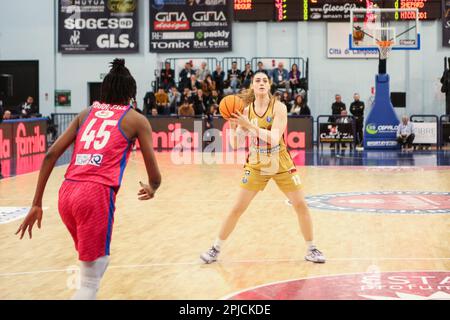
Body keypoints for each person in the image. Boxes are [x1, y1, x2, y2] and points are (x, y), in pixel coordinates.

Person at [15, 59, 162, 300]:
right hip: (94, 195)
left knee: (95, 266)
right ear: (131, 94)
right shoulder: (136, 119)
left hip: (67, 193)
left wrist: (36, 203)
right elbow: (154, 176)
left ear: (103, 90)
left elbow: (51, 154)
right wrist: (152, 187)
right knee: (90, 283)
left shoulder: (85, 113)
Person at [200, 71, 325, 264]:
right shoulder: (245, 110)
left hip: (280, 160)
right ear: (252, 85)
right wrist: (234, 126)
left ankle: (312, 249)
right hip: (257, 161)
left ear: (269, 86)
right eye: (257, 80)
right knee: (237, 208)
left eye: (265, 80)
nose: (261, 83)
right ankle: (215, 248)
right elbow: (236, 144)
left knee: (301, 205)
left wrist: (248, 126)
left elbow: (274, 138)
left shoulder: (279, 107)